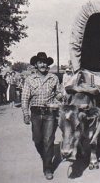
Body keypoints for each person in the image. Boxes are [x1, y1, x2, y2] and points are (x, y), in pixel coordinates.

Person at [21, 52, 62, 180]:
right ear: (36, 65)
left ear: (47, 64)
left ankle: (48, 168)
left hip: (50, 113)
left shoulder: (54, 78)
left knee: (48, 140)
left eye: (44, 62)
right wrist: (26, 114)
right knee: (37, 140)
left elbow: (59, 93)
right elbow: (25, 98)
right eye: (40, 62)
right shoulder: (29, 79)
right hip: (35, 113)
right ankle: (45, 156)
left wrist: (59, 99)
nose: (43, 64)